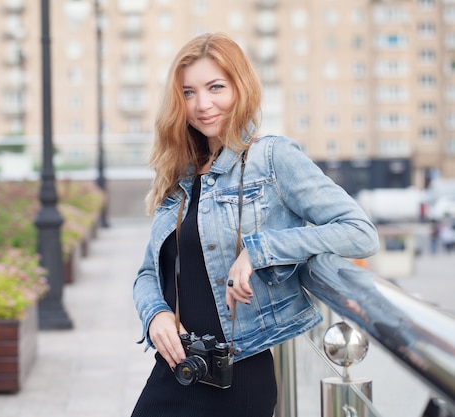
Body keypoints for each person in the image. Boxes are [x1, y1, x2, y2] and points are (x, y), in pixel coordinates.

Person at [131, 32, 379, 417]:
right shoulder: (179, 173)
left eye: (216, 87)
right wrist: (155, 315)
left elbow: (359, 232)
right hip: (176, 369)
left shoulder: (272, 158)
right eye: (189, 93)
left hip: (239, 378)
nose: (203, 104)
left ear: (240, 88)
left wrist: (259, 250)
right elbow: (149, 271)